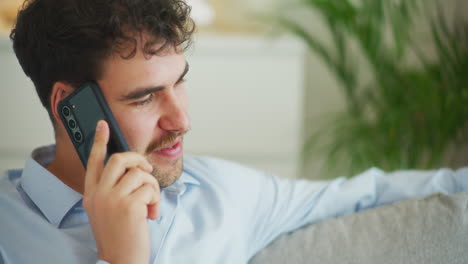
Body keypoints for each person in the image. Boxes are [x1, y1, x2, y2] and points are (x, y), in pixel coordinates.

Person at [0, 0, 467, 263]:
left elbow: (367, 193)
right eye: (144, 97)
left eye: (179, 82)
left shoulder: (222, 194)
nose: (181, 121)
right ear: (70, 108)